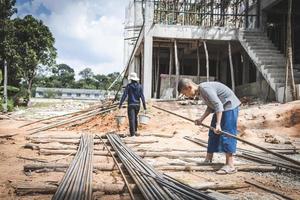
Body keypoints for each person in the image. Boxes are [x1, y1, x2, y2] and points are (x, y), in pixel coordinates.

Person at [177, 78, 241, 174]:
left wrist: (218, 124)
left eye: (185, 93)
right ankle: (208, 159)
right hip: (220, 108)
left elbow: (218, 105)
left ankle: (230, 165)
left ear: (189, 87)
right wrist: (201, 119)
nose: (186, 96)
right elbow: (211, 106)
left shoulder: (205, 89)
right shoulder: (201, 92)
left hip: (229, 106)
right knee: (212, 132)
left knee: (227, 134)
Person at [119, 72, 147, 136]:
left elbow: (124, 95)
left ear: (131, 79)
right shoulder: (140, 86)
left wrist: (120, 104)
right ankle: (135, 131)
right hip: (137, 105)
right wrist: (145, 107)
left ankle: (132, 134)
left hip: (131, 105)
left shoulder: (129, 86)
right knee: (135, 118)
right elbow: (142, 97)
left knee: (131, 119)